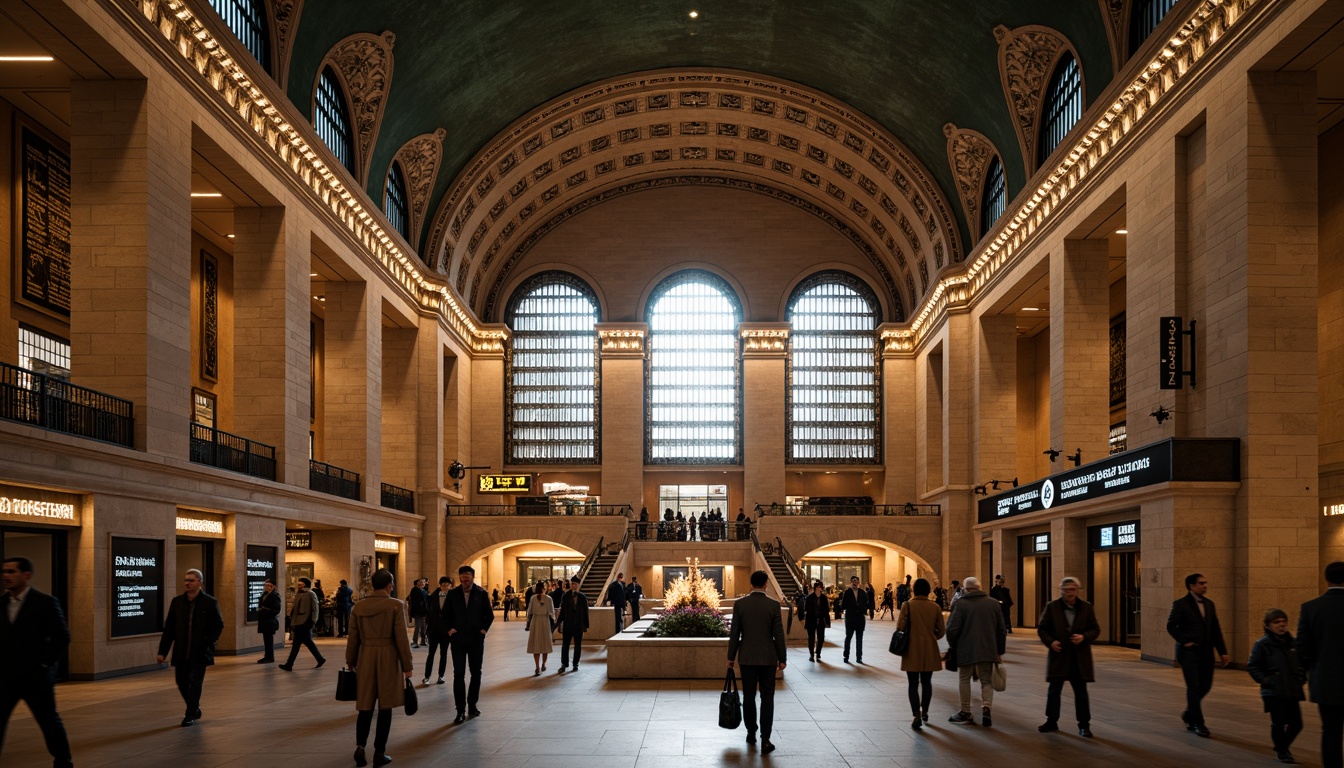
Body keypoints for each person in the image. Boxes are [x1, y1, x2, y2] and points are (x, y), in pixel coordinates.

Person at [0, 556, 73, 768]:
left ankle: (63, 760)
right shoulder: (1, 604)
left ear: (26, 575)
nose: (6, 576)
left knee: (48, 721)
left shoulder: (45, 602)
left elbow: (62, 636)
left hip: (36, 677)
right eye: (4, 571)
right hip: (6, 678)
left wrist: (44, 664)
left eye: (11, 572)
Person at [346, 568, 413, 768]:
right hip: (388, 657)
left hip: (366, 657)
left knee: (365, 706)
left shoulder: (358, 607)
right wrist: (407, 666)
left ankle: (360, 747)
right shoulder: (395, 605)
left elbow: (353, 637)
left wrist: (351, 660)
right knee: (385, 707)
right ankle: (379, 752)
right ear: (389, 585)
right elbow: (402, 639)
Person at [727, 570, 786, 754]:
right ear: (766, 584)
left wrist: (731, 657)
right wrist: (782, 658)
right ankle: (766, 739)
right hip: (768, 658)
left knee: (749, 697)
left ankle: (751, 733)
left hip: (747, 657)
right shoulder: (773, 605)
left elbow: (735, 633)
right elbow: (778, 634)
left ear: (751, 584)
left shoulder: (740, 604)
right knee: (767, 698)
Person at [156, 569, 224, 727]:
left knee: (195, 682)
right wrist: (162, 652)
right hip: (181, 650)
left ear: (199, 582)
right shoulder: (177, 602)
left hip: (200, 651)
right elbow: (170, 629)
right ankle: (194, 707)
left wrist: (208, 642)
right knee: (181, 681)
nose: (187, 583)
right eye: (186, 580)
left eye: (191, 580)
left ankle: (189, 713)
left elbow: (218, 625)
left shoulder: (209, 602)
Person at [1166, 572, 1229, 738]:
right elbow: (1171, 626)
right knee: (1193, 688)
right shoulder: (1180, 604)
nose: (1205, 586)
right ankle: (1197, 723)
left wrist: (1222, 651)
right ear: (1192, 586)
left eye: (1205, 583)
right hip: (1189, 653)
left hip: (1206, 652)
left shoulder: (1209, 604)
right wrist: (1184, 640)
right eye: (1201, 583)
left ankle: (1188, 714)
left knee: (1205, 686)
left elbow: (1215, 629)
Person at [1037, 576, 1100, 737]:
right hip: (1059, 655)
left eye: (1072, 590)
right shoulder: (1052, 607)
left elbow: (1095, 629)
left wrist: (1084, 637)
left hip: (1079, 658)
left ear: (1077, 591)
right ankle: (1051, 721)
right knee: (1054, 690)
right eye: (1066, 590)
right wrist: (1051, 642)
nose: (1069, 593)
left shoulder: (1086, 607)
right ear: (1061, 591)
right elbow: (1042, 629)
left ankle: (1084, 725)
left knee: (1081, 692)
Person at [1297, 561, 1344, 768]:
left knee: (1331, 731)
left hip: (1325, 681)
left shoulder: (1310, 608)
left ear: (1326, 579)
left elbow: (1303, 649)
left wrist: (1304, 674)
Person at [945, 576, 1006, 727]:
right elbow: (1001, 629)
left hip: (966, 649)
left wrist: (954, 646)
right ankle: (986, 709)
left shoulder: (961, 604)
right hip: (988, 649)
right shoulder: (993, 604)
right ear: (979, 588)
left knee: (964, 679)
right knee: (986, 680)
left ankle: (965, 711)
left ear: (966, 589)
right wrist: (999, 650)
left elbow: (952, 629)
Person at [1249, 607, 1306, 764]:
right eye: (1276, 622)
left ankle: (1282, 746)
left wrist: (1300, 677)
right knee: (1279, 723)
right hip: (1273, 691)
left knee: (1297, 724)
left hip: (1292, 689)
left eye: (1283, 622)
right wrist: (1265, 680)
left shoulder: (1292, 643)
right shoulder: (1262, 644)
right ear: (1268, 625)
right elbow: (1253, 665)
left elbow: (1301, 663)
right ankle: (1282, 751)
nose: (1281, 625)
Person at [443, 565, 494, 724]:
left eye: (467, 578)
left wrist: (483, 630)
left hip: (475, 640)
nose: (464, 580)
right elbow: (445, 615)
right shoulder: (453, 594)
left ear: (472, 577)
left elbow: (489, 615)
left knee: (476, 672)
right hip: (458, 640)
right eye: (462, 578)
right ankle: (460, 710)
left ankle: (472, 705)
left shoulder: (481, 594)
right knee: (458, 673)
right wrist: (450, 629)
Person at [898, 577, 945, 731]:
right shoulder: (935, 607)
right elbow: (941, 630)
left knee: (913, 683)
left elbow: (900, 627)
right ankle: (925, 711)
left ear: (914, 590)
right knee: (926, 682)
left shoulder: (908, 606)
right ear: (928, 591)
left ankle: (916, 714)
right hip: (929, 649)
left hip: (911, 648)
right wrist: (931, 637)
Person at [279, 577, 326, 670]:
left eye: (301, 583)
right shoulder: (299, 593)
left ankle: (289, 664)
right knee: (304, 643)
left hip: (305, 622)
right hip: (298, 622)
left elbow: (315, 609)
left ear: (305, 584)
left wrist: (313, 621)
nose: (299, 584)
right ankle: (319, 659)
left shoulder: (310, 594)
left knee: (298, 644)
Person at [423, 576, 452, 685]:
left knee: (443, 654)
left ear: (450, 585)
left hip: (445, 631)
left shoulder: (452, 598)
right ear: (440, 585)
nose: (445, 587)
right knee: (431, 653)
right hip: (434, 630)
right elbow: (428, 614)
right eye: (443, 584)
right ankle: (427, 676)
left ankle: (441, 675)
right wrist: (427, 629)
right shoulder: (433, 597)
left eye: (447, 585)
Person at [557, 575, 589, 671]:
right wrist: (558, 623)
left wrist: (585, 626)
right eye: (571, 584)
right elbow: (562, 611)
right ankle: (564, 664)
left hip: (578, 625)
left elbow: (585, 612)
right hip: (568, 624)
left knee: (577, 645)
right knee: (565, 645)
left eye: (574, 584)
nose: (573, 586)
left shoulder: (582, 597)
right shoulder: (566, 596)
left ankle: (575, 664)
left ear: (578, 585)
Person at [525, 579, 555, 675]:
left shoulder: (533, 598)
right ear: (543, 588)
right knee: (545, 644)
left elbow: (529, 611)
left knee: (536, 644)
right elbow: (552, 613)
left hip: (535, 621)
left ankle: (537, 666)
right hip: (545, 621)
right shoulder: (549, 599)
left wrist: (528, 622)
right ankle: (544, 664)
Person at [841, 575, 868, 663]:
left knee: (859, 639)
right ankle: (846, 656)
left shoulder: (862, 592)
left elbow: (866, 603)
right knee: (848, 637)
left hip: (860, 619)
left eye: (857, 581)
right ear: (851, 582)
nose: (855, 582)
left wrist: (862, 609)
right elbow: (843, 605)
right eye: (854, 581)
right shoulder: (847, 592)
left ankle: (859, 657)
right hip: (850, 619)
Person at [256, 578, 281, 663]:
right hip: (264, 620)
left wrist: (266, 610)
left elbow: (276, 609)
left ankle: (270, 657)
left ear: (273, 586)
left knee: (269, 640)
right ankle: (267, 656)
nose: (266, 587)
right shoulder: (264, 594)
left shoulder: (275, 596)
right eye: (265, 585)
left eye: (268, 585)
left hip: (269, 621)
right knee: (266, 640)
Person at [804, 581, 830, 662]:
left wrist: (826, 618)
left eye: (821, 587)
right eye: (818, 587)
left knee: (821, 638)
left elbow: (827, 609)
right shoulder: (810, 597)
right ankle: (811, 654)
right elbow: (806, 608)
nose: (820, 588)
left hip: (821, 620)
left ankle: (818, 652)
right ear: (815, 588)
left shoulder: (824, 598)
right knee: (811, 638)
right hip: (811, 620)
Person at [407, 578, 429, 646]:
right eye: (420, 582)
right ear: (417, 583)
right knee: (418, 627)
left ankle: (423, 641)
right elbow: (415, 602)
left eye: (423, 583)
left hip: (423, 612)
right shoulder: (415, 590)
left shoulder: (424, 591)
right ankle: (415, 641)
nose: (422, 584)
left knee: (423, 627)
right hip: (418, 612)